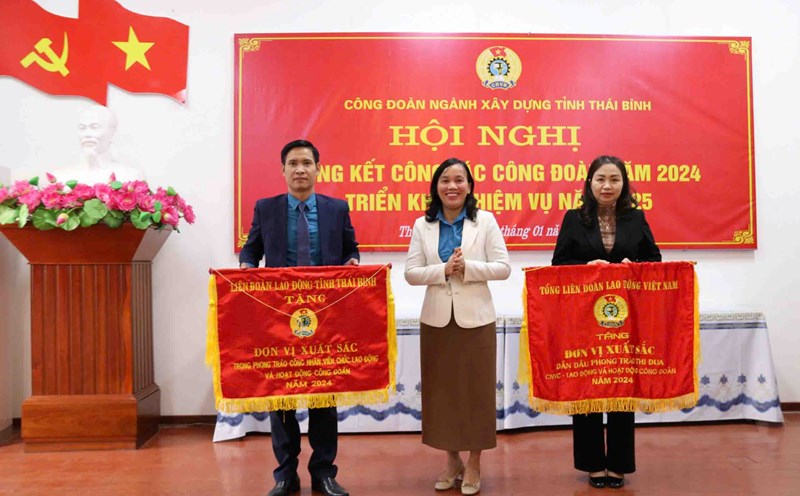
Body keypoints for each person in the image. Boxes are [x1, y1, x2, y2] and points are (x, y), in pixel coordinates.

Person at [239, 139, 359, 496]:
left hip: (325, 316)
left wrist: (352, 261)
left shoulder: (337, 209)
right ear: (283, 170)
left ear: (318, 169)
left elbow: (350, 246)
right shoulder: (267, 208)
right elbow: (252, 248)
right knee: (282, 397)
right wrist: (246, 265)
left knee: (324, 397)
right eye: (293, 163)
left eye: (307, 162)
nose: (300, 169)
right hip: (280, 316)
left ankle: (323, 473)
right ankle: (285, 474)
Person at [551, 155, 662, 489]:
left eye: (614, 179)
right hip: (584, 318)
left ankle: (619, 465)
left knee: (619, 389)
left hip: (624, 320)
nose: (607, 186)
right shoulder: (574, 219)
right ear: (589, 183)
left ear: (624, 184)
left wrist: (632, 265)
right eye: (601, 179)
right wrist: (590, 265)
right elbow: (559, 264)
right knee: (588, 387)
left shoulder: (635, 218)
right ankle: (591, 463)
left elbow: (654, 260)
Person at [404, 158, 511, 495]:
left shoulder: (486, 221)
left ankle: (475, 461)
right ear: (436, 186)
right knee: (442, 393)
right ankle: (452, 460)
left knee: (476, 392)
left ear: (470, 186)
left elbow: (503, 267)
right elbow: (410, 272)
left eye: (459, 180)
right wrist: (443, 271)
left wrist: (469, 268)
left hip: (476, 319)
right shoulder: (423, 225)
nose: (452, 186)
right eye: (445, 180)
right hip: (436, 320)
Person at [54, 105, 144, 184]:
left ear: (113, 133)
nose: (87, 135)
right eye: (82, 128)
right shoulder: (61, 177)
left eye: (94, 128)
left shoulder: (131, 176)